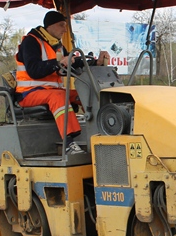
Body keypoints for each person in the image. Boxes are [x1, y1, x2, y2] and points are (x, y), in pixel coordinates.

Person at [15, 11, 109, 154]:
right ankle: (68, 144)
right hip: (28, 94)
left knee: (84, 95)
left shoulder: (56, 45)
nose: (64, 29)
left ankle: (104, 132)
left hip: (51, 93)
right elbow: (34, 70)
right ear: (50, 26)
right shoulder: (30, 42)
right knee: (59, 97)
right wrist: (58, 62)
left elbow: (74, 62)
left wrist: (96, 62)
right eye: (61, 25)